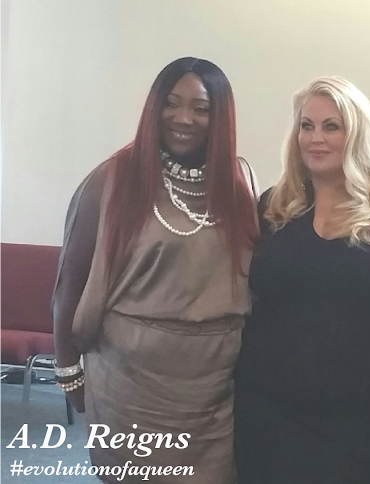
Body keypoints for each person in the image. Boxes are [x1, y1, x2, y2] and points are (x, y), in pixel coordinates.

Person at [52, 57, 258, 484]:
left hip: (212, 391)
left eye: (201, 108)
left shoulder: (239, 182)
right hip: (131, 385)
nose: (183, 118)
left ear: (220, 116)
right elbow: (69, 284)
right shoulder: (113, 179)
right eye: (171, 103)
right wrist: (68, 371)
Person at [233, 76, 370, 484]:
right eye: (306, 126)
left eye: (331, 126)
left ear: (357, 134)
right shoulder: (275, 208)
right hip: (268, 409)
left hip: (362, 418)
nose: (315, 138)